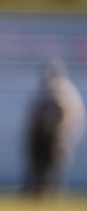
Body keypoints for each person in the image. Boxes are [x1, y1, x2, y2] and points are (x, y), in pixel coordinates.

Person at [24, 60, 85, 197]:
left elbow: (65, 112)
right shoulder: (44, 87)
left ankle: (52, 192)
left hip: (57, 135)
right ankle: (38, 191)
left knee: (54, 165)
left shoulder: (62, 88)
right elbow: (33, 113)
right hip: (42, 134)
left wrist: (55, 129)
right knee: (39, 164)